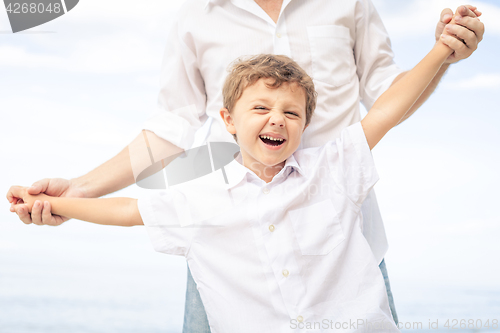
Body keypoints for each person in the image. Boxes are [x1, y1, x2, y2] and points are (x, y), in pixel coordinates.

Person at [7, 0, 484, 331]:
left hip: (343, 245)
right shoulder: (196, 15)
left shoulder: (349, 7)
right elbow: (167, 136)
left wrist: (445, 51)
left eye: (291, 112)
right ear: (228, 119)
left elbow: (388, 102)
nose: (276, 119)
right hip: (225, 242)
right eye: (260, 110)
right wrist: (77, 194)